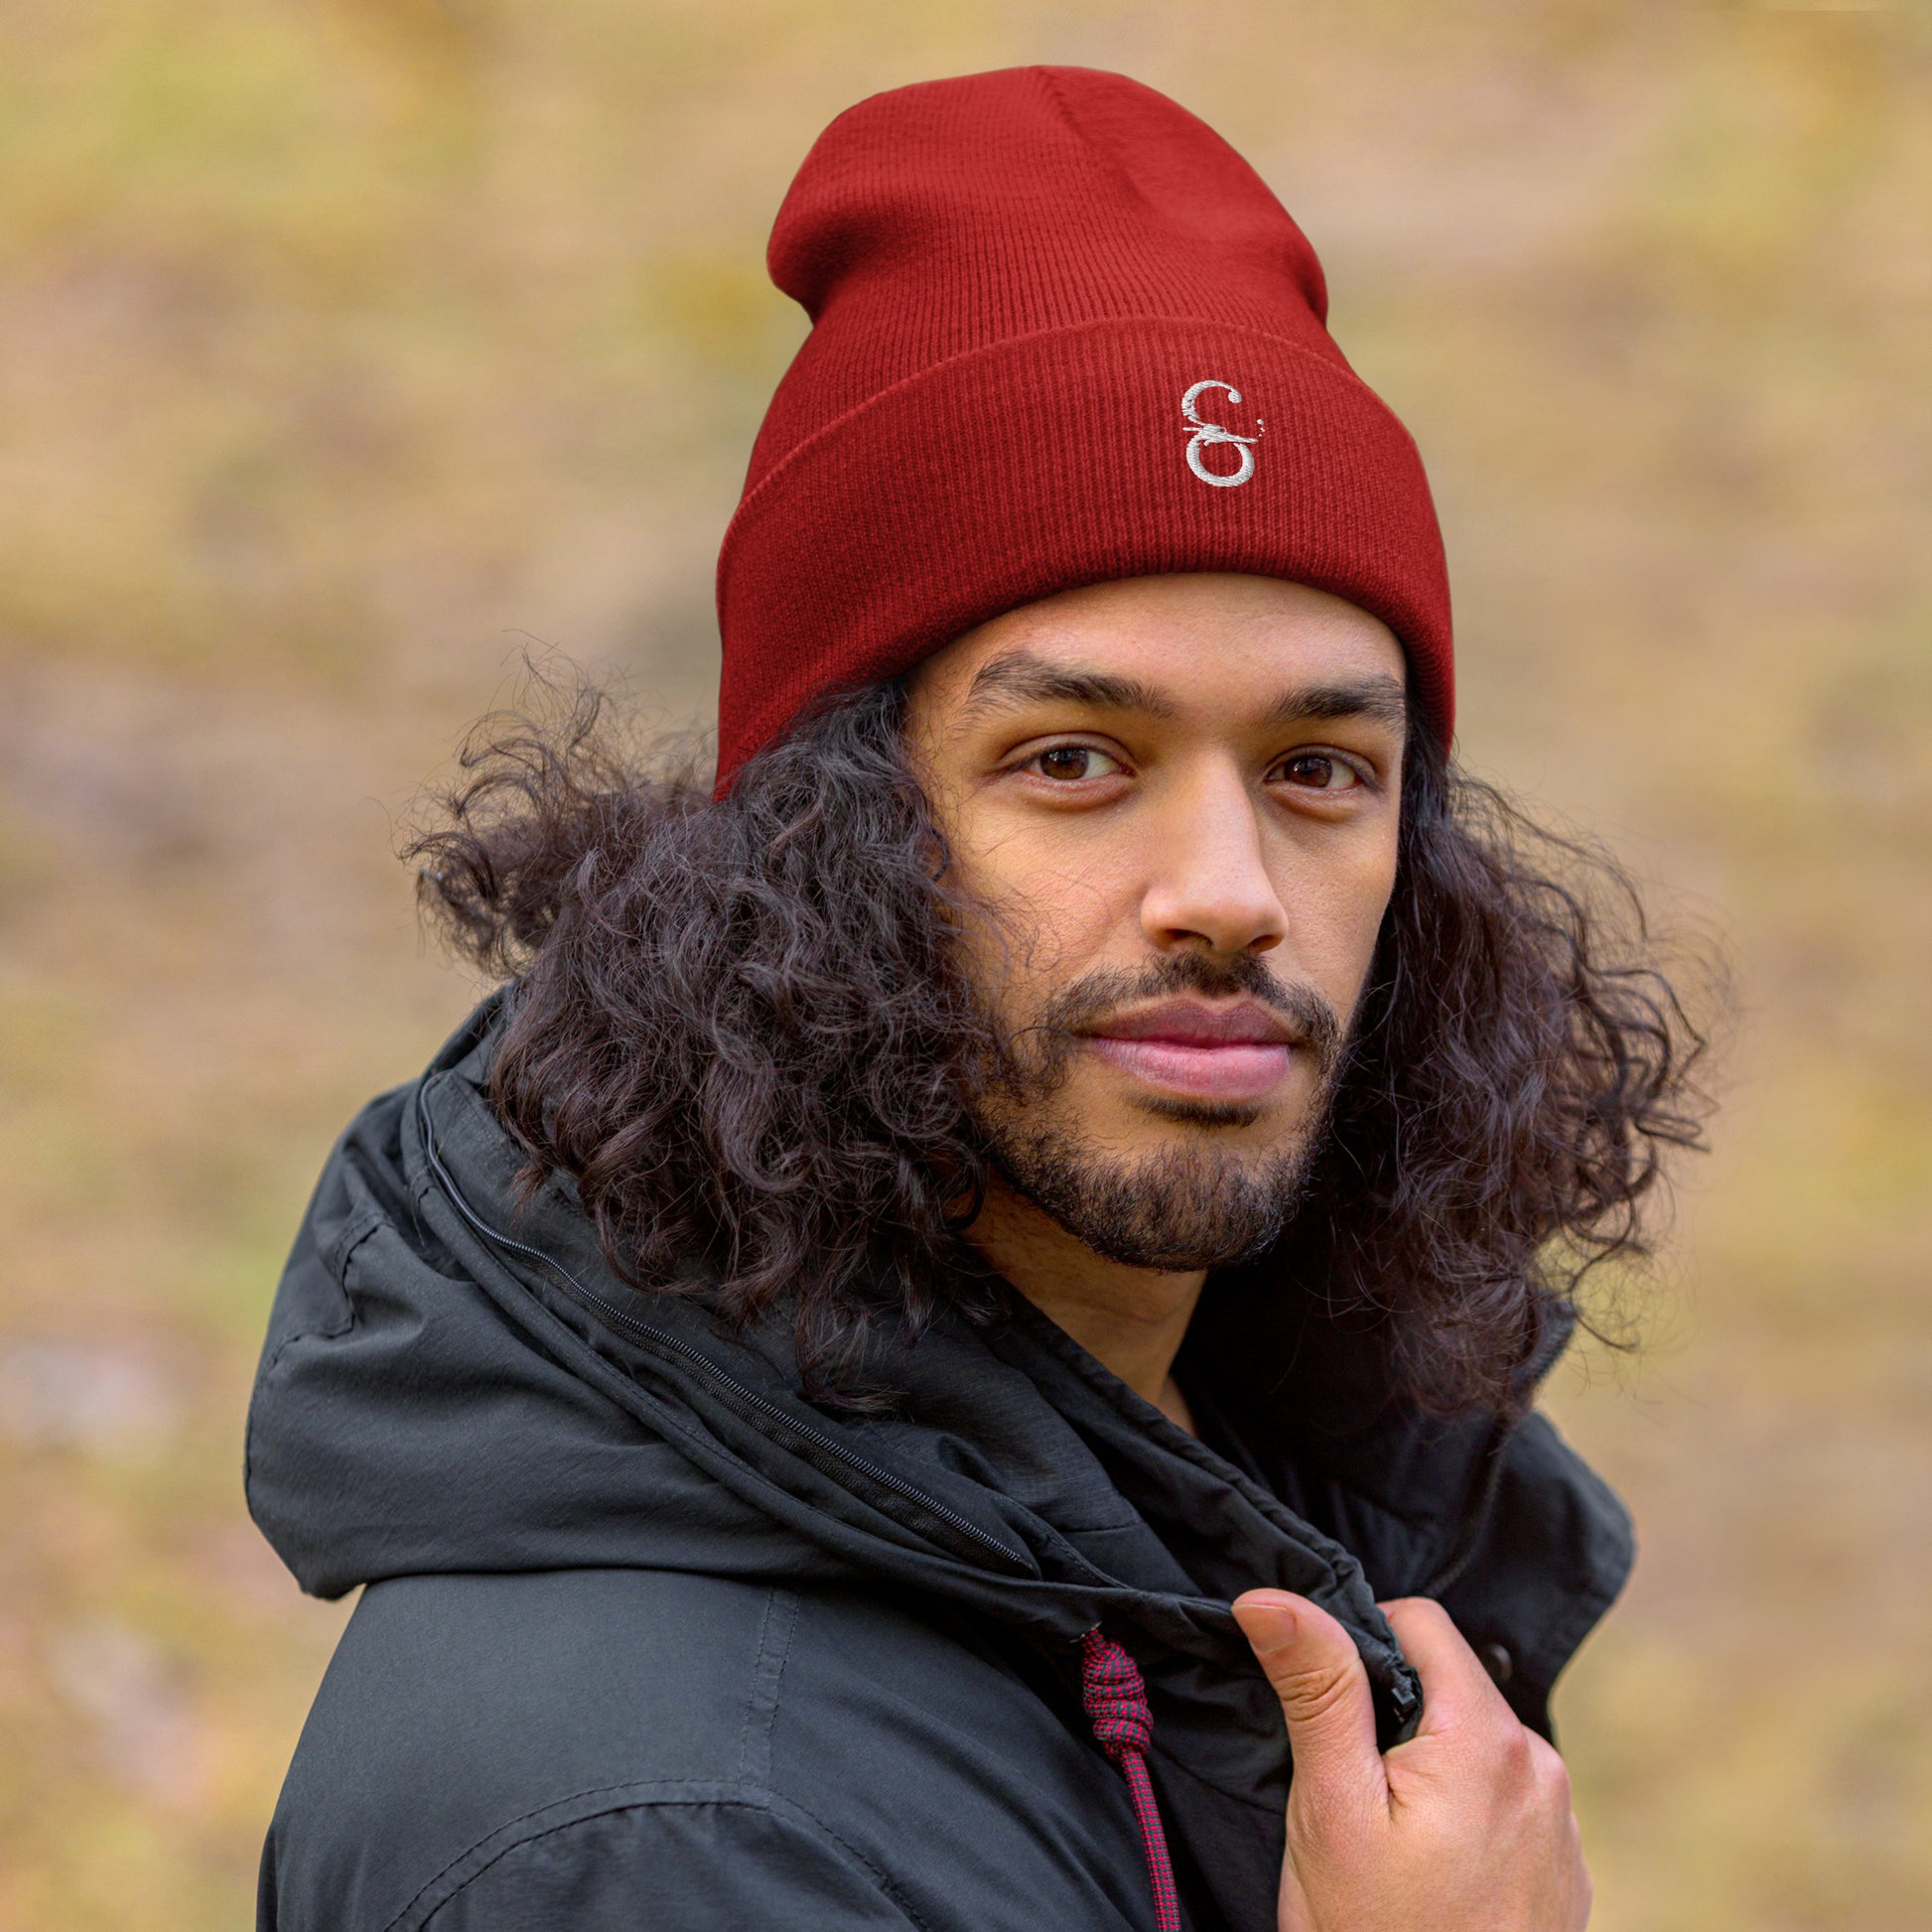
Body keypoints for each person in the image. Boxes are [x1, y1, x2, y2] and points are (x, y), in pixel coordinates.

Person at [248, 67, 1708, 1932]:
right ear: (821, 845)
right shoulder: (668, 1831)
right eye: (1075, 759)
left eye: (1319, 768)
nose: (1229, 895)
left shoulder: (1235, 1480)